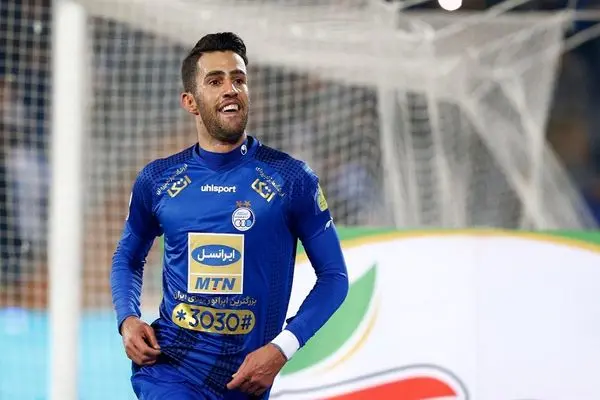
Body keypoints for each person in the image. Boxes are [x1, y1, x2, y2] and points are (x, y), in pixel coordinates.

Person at [110, 32, 349, 400]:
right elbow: (128, 256)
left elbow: (334, 277)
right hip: (169, 368)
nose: (230, 89)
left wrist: (281, 348)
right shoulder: (158, 180)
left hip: (245, 382)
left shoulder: (291, 179)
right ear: (190, 101)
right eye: (215, 81)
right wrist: (127, 319)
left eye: (239, 79)